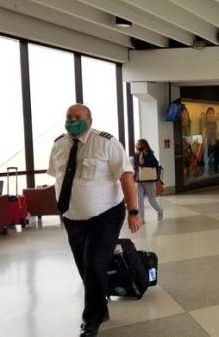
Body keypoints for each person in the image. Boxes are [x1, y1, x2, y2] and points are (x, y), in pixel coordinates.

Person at [48, 104, 141, 337]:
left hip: (106, 215)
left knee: (93, 263)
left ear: (90, 121)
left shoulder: (106, 143)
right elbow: (59, 178)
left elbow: (126, 177)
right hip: (72, 217)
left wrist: (133, 211)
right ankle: (100, 306)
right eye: (69, 117)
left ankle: (92, 318)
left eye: (78, 117)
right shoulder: (59, 144)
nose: (72, 121)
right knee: (84, 265)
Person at [133, 139, 165, 223]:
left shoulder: (150, 154)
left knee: (152, 200)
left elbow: (155, 164)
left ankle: (160, 210)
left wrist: (144, 163)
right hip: (139, 180)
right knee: (139, 200)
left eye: (139, 144)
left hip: (149, 180)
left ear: (144, 145)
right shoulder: (136, 154)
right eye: (137, 144)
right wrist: (139, 162)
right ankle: (142, 218)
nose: (137, 145)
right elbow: (136, 165)